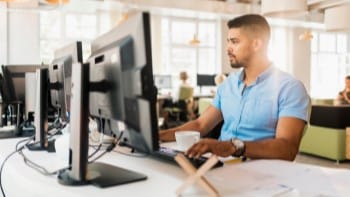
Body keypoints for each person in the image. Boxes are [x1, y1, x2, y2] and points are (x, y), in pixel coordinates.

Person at [159, 14, 309, 161]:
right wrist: (157, 136)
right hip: (221, 164)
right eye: (228, 42)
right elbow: (200, 124)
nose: (228, 49)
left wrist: (233, 147)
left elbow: (287, 148)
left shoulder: (290, 88)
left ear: (257, 44)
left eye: (235, 42)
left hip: (261, 171)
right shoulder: (229, 84)